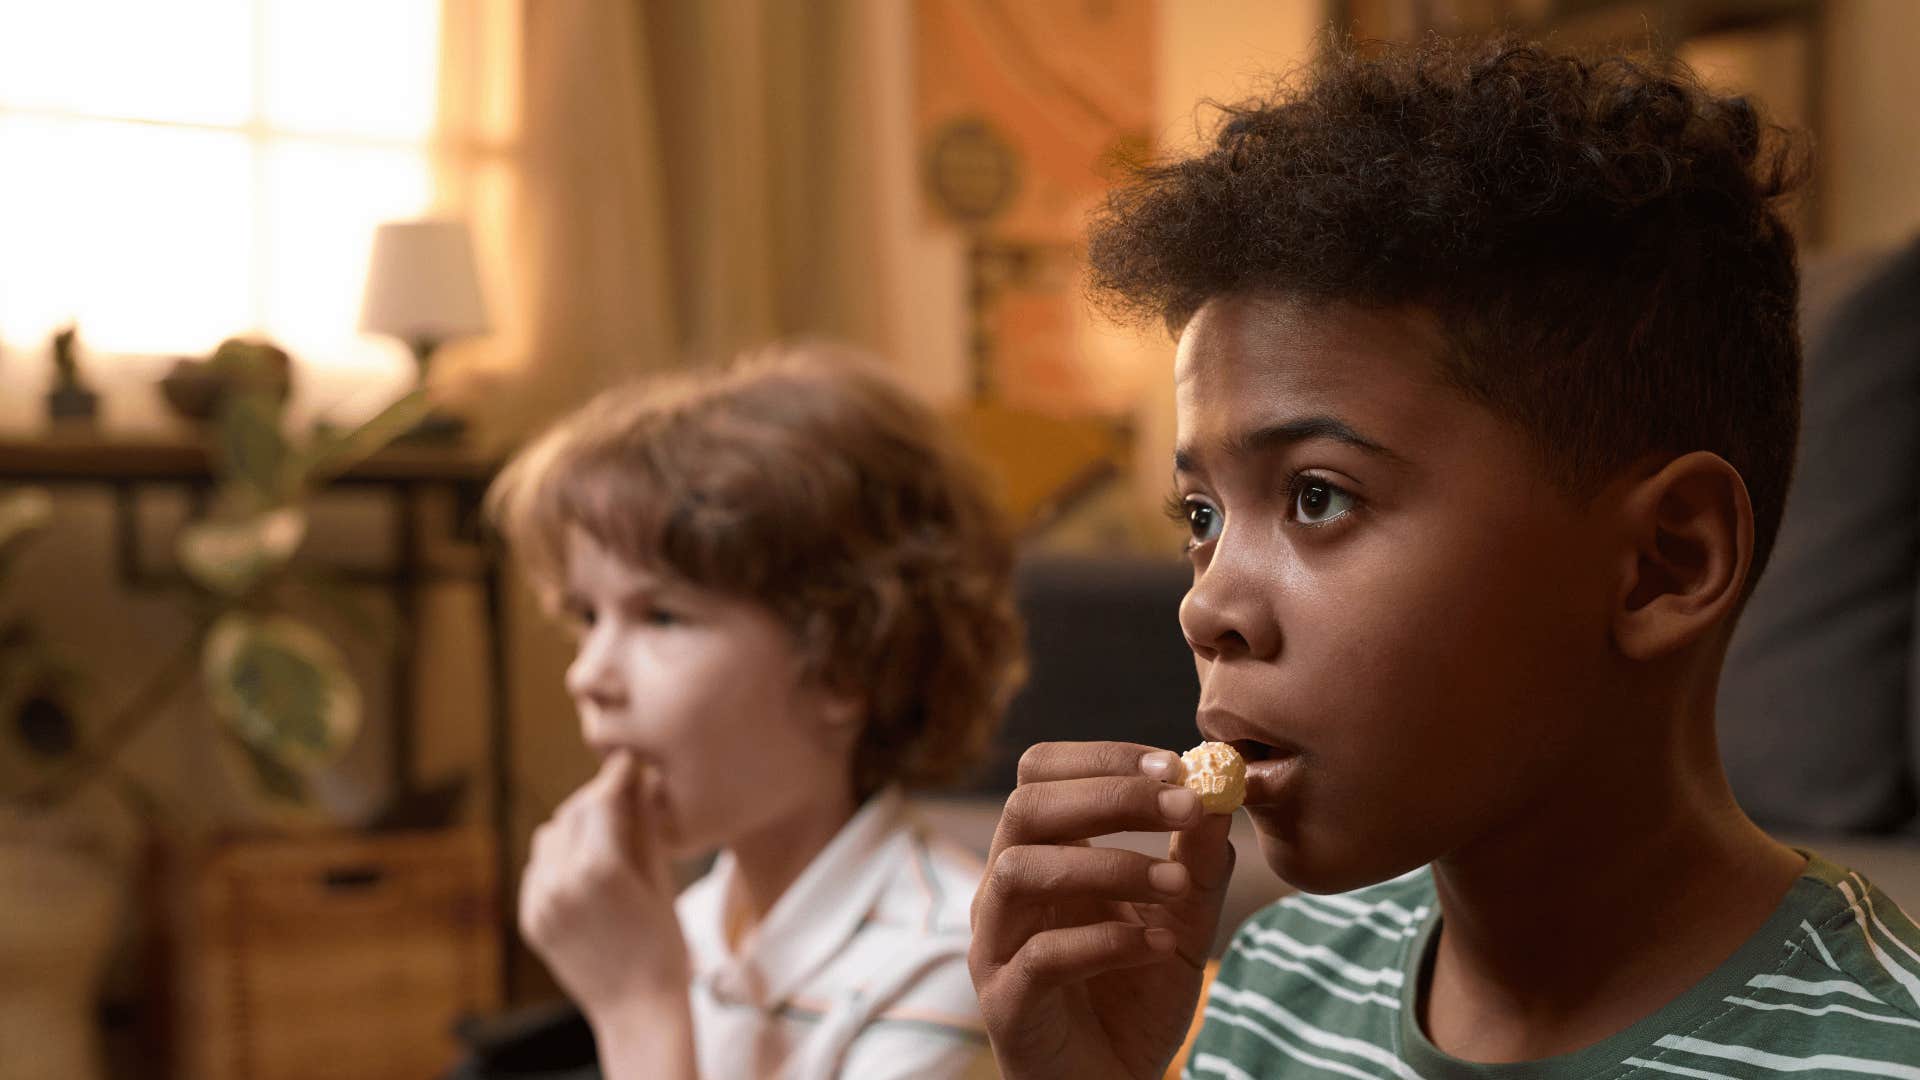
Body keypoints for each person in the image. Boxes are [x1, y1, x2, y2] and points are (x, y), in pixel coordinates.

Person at [967, 35, 1920, 1079]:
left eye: (1317, 496)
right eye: (1201, 516)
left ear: (1665, 563)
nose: (1207, 609)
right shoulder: (1271, 983)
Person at [485, 344, 1024, 1080]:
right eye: (585, 615)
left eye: (662, 617)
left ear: (844, 666)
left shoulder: (948, 972)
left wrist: (639, 1009)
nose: (589, 674)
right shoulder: (693, 928)